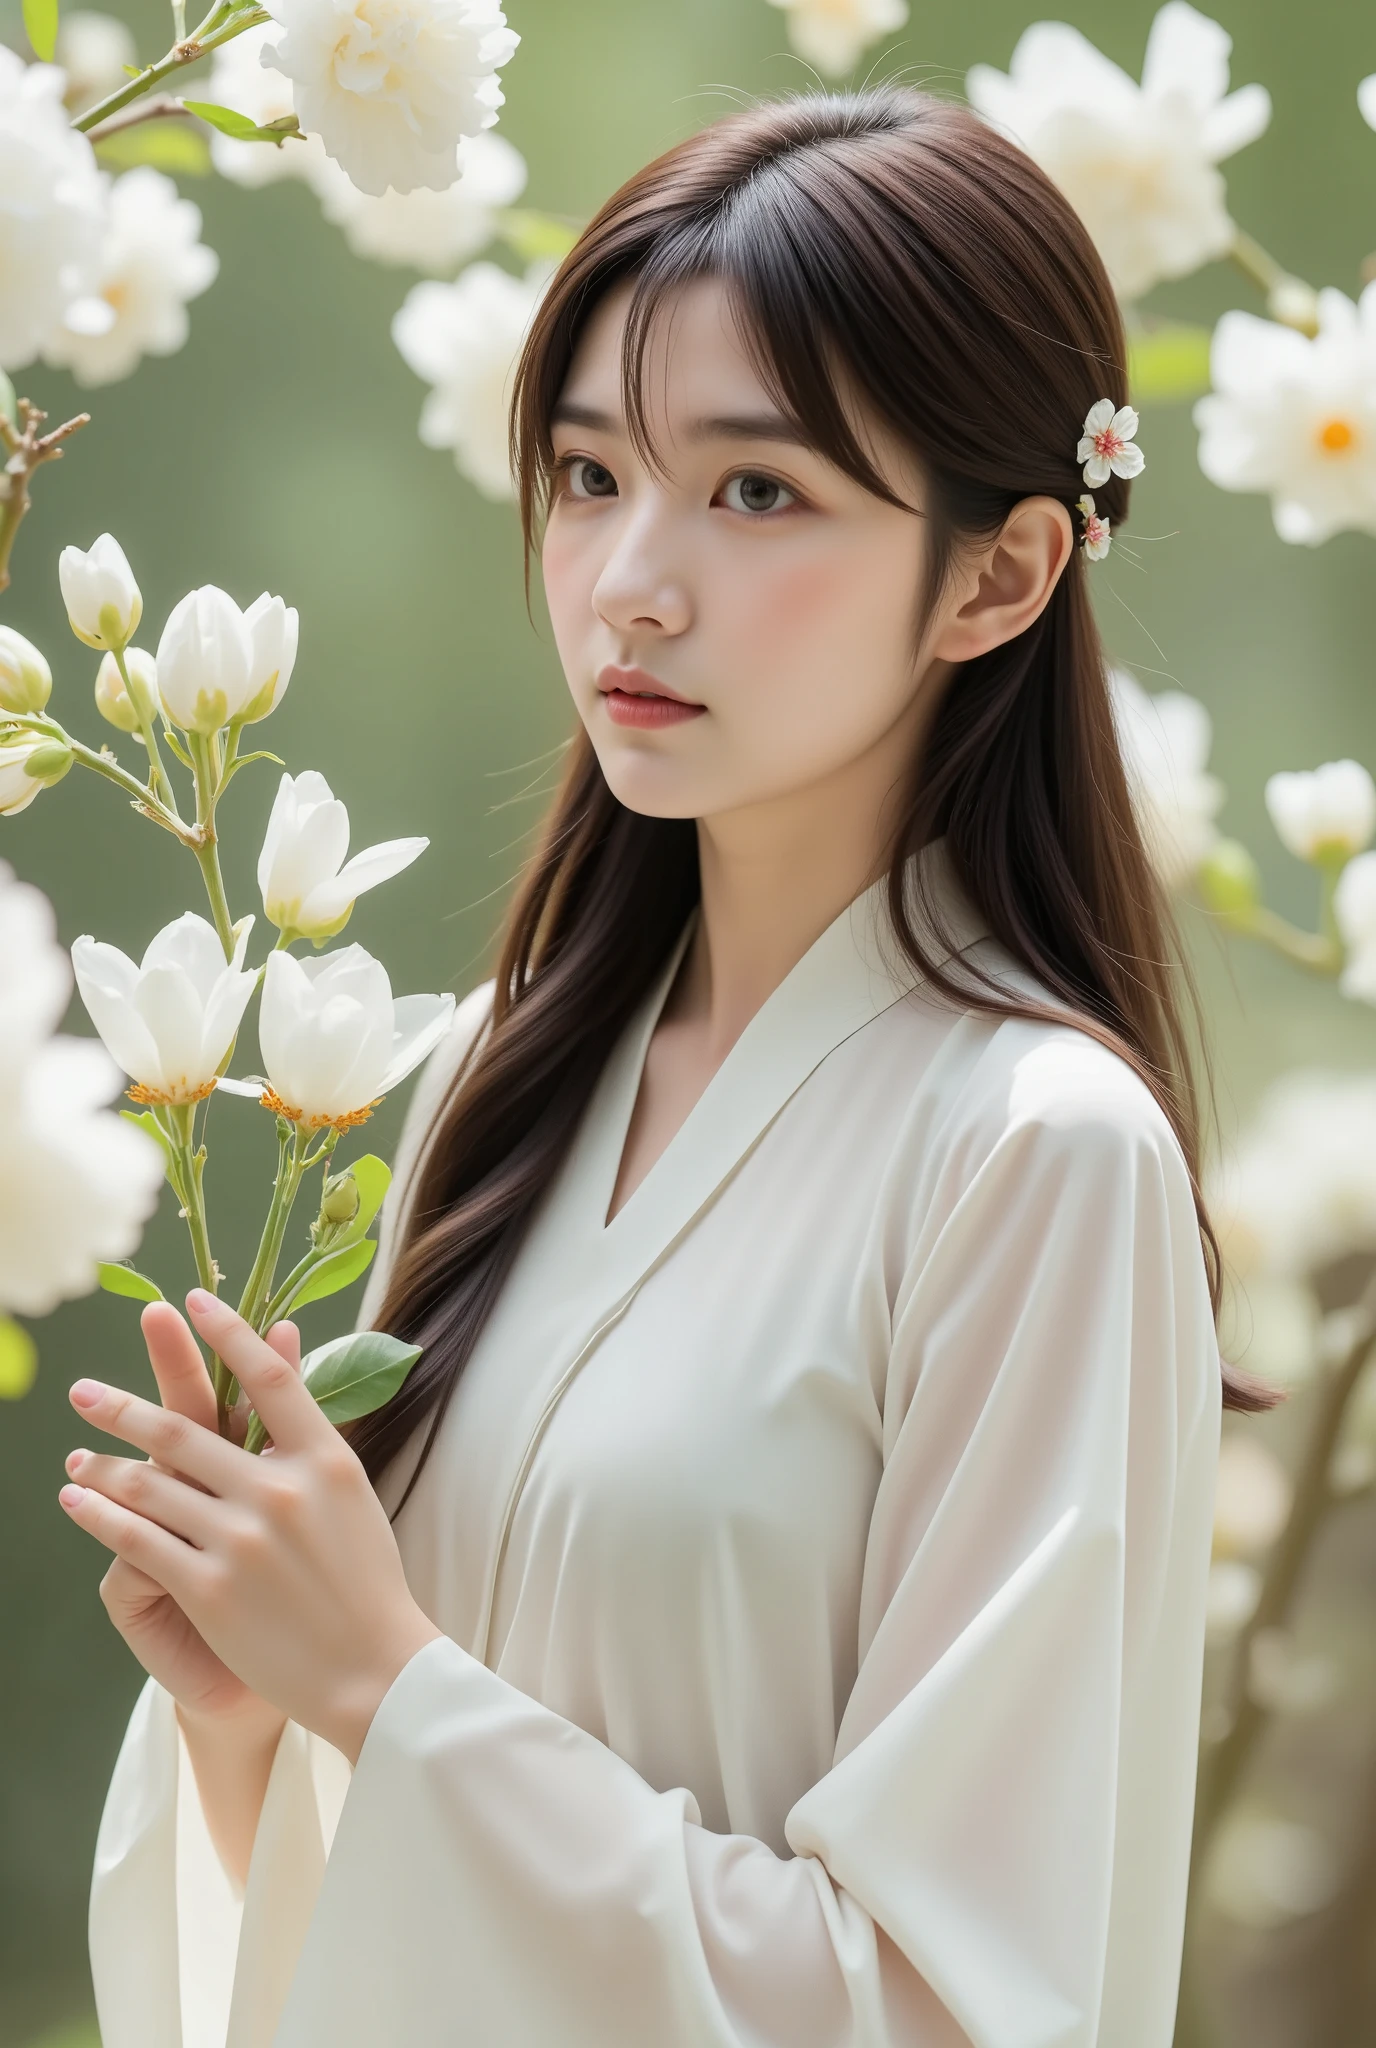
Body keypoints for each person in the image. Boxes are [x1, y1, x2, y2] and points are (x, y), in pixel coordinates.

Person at [60, 85, 1261, 2048]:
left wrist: (385, 1686)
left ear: (1001, 574)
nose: (630, 577)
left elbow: (953, 2004)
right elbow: (351, 1898)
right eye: (590, 470)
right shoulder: (493, 1083)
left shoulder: (1037, 1160)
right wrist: (256, 1723)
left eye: (755, 490)